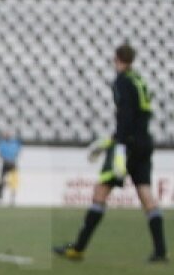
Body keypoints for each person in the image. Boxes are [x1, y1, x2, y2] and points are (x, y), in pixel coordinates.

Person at [54, 44, 166, 263]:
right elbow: (141, 112)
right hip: (145, 142)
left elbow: (125, 113)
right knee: (146, 194)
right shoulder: (139, 80)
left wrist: (118, 141)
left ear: (117, 59)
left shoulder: (122, 81)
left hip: (128, 145)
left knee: (100, 192)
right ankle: (161, 251)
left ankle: (78, 248)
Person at [0, 128, 21, 205]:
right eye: (6, 134)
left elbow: (17, 152)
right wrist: (6, 159)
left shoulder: (15, 143)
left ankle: (12, 200)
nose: (7, 135)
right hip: (5, 164)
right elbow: (0, 154)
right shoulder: (2, 143)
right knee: (1, 182)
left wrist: (11, 158)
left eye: (8, 134)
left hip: (13, 164)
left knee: (14, 183)